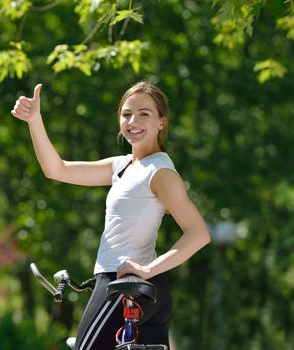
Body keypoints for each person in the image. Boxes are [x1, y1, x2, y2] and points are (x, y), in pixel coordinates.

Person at [11, 82, 210, 349]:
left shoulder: (159, 172)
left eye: (144, 114)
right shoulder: (124, 165)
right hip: (136, 287)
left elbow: (199, 233)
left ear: (162, 122)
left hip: (125, 285)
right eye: (126, 114)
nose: (133, 121)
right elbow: (56, 169)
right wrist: (34, 120)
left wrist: (147, 269)